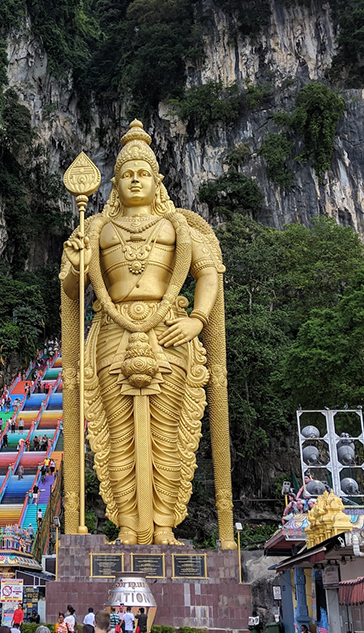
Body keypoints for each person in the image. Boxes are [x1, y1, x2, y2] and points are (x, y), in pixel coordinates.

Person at [60, 121, 227, 545]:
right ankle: (129, 526)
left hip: (169, 330)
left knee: (168, 433)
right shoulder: (95, 229)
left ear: (158, 181)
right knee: (117, 437)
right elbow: (70, 288)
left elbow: (208, 273)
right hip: (113, 333)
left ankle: (166, 525)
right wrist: (78, 263)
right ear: (115, 183)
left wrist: (199, 319)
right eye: (128, 174)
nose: (136, 180)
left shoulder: (179, 227)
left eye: (143, 173)